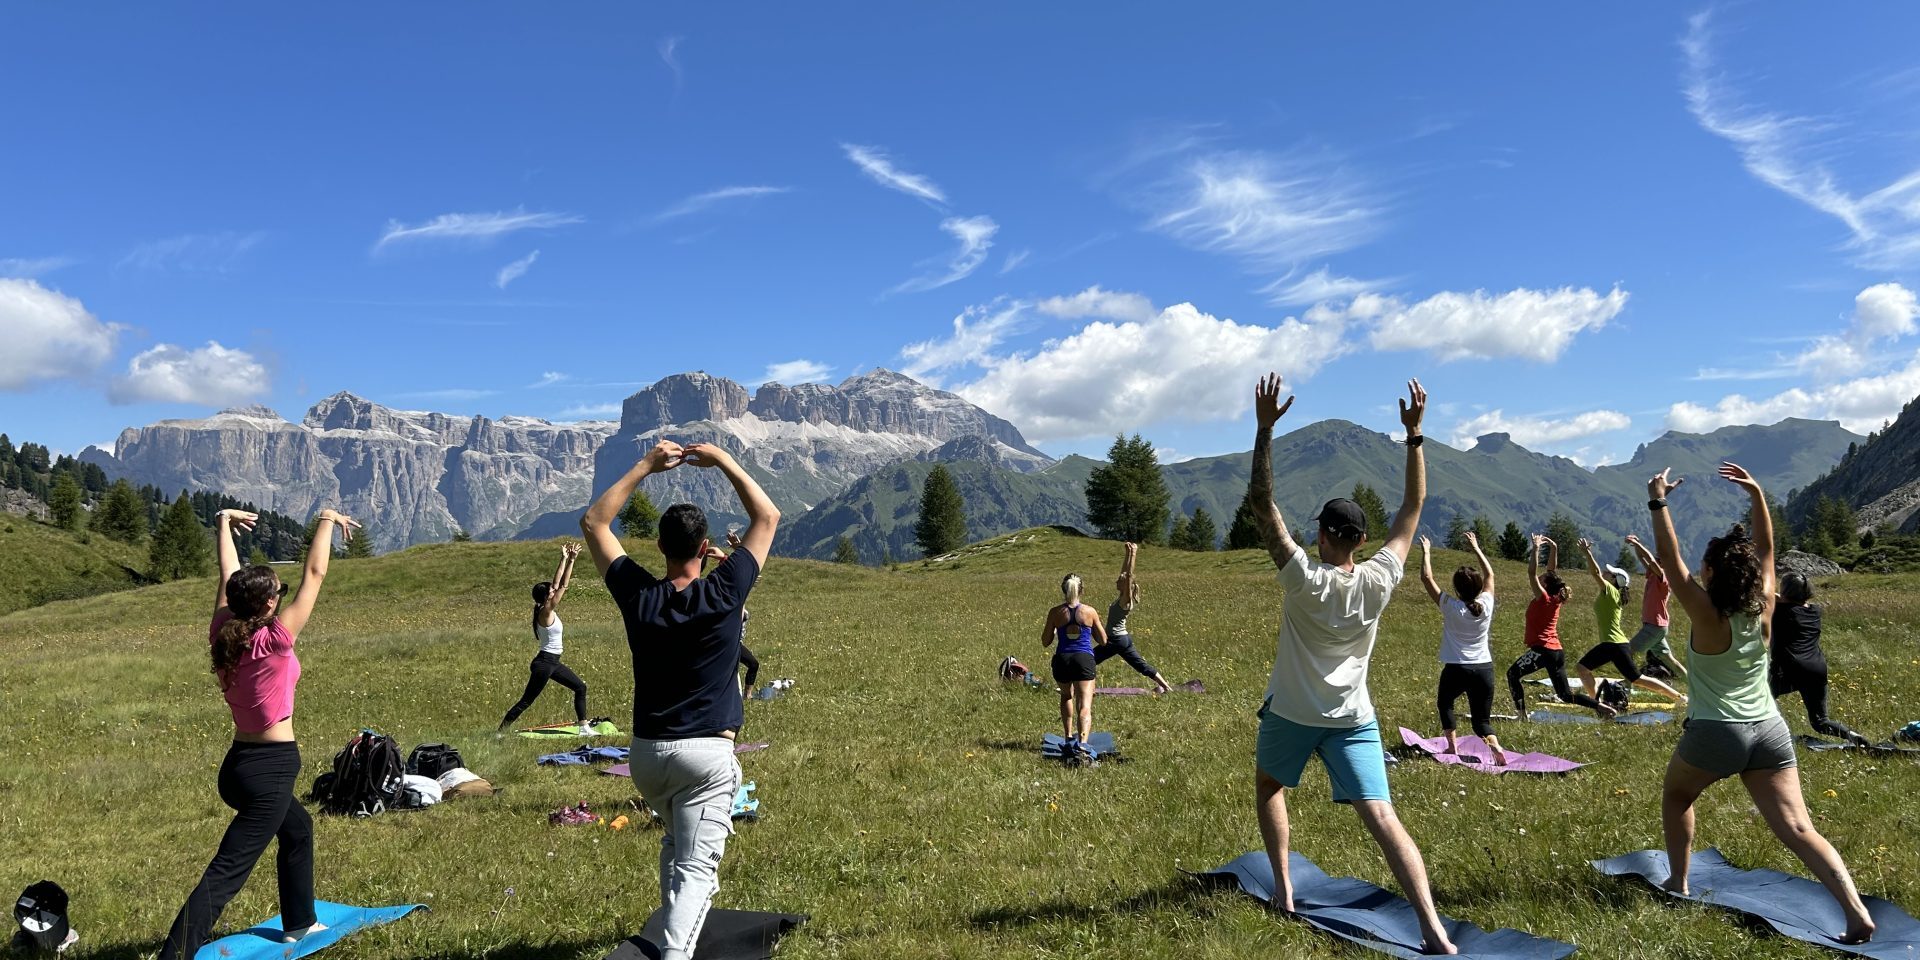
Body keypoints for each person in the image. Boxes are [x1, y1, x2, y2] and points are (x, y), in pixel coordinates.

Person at [1246, 372, 1458, 955]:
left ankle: (1285, 892)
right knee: (1383, 817)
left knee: (1269, 787)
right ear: (1361, 541)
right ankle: (1432, 927)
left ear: (1320, 533)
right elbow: (1414, 505)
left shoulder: (1302, 578)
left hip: (1291, 712)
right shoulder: (1380, 578)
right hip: (1352, 718)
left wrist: (1265, 429)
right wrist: (1415, 437)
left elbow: (1261, 502)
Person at [1646, 463, 1874, 944]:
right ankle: (1855, 912)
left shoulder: (1707, 614)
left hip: (1716, 730)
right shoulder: (1766, 604)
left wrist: (1658, 500)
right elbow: (1768, 552)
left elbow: (1670, 562)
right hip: (1770, 730)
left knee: (1677, 797)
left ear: (1709, 572)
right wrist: (1757, 496)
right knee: (1798, 827)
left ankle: (1678, 881)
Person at [581, 439, 779, 960]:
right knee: (698, 873)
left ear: (660, 549)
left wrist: (646, 465)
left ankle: (664, 940)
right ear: (704, 546)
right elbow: (767, 515)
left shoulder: (640, 597)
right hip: (706, 759)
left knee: (676, 847)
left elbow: (595, 524)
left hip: (647, 757)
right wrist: (724, 461)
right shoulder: (725, 590)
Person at [160, 507, 359, 960]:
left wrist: (222, 524)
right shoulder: (275, 638)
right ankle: (174, 955)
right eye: (279, 593)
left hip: (238, 769)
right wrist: (326, 519)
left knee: (299, 829)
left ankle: (300, 922)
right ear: (269, 604)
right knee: (227, 871)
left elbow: (229, 574)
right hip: (268, 771)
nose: (284, 598)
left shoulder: (222, 631)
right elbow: (316, 572)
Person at [1417, 532, 1506, 765]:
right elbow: (1490, 574)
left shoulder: (1450, 606)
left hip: (1457, 668)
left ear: (1457, 589)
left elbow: (1426, 578)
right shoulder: (1486, 604)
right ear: (1478, 588)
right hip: (1484, 668)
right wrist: (1476, 547)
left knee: (1445, 703)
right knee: (1481, 721)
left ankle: (1451, 747)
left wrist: (1426, 551)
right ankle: (1495, 745)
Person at [1505, 535, 1614, 719]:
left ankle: (1522, 715)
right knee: (1565, 695)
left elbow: (1531, 573)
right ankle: (1602, 707)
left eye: (1543, 579)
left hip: (1543, 650)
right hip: (1556, 651)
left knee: (1512, 674)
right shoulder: (1555, 598)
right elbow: (1551, 571)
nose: (1540, 578)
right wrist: (1554, 548)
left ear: (1546, 585)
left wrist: (1536, 548)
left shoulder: (1543, 598)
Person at [1573, 537, 1687, 709]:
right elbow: (1645, 560)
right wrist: (1636, 546)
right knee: (1586, 669)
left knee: (1635, 678)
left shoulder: (1610, 591)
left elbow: (1595, 573)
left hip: (1615, 643)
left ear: (1614, 580)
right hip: (1613, 643)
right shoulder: (1613, 592)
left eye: (1610, 573)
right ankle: (1599, 703)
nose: (1606, 572)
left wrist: (1587, 552)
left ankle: (1678, 697)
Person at [497, 543, 593, 735]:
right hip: (545, 663)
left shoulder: (544, 607)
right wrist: (572, 561)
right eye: (550, 591)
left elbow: (556, 584)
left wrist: (564, 558)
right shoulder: (546, 611)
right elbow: (563, 586)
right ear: (545, 597)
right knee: (527, 700)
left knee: (580, 687)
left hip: (552, 662)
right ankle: (500, 731)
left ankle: (583, 727)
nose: (553, 591)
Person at [1770, 573, 1870, 746]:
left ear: (1784, 591)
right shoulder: (1814, 611)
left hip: (1788, 667)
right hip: (1816, 668)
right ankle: (1851, 734)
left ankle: (1780, 736)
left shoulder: (1779, 611)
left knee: (1759, 698)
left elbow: (1766, 595)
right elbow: (1785, 600)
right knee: (1820, 721)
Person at [1041, 573, 1107, 756]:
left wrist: (1057, 629)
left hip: (1062, 659)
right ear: (1081, 590)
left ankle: (1068, 736)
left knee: (1066, 696)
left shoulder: (1055, 612)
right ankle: (1083, 744)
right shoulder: (1089, 611)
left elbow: (1045, 641)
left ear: (1064, 590)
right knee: (1085, 703)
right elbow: (1103, 640)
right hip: (1083, 658)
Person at [1098, 541, 1172, 694]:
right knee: (1141, 665)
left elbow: (1129, 576)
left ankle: (1073, 688)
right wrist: (1127, 553)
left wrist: (1134, 554)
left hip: (1115, 640)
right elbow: (1125, 574)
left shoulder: (1126, 600)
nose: (1116, 581)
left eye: (1119, 581)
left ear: (1126, 585)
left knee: (1088, 660)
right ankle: (1166, 687)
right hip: (1122, 639)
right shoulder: (1122, 597)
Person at [1625, 534, 1688, 680]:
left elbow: (1650, 559)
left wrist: (1636, 543)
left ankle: (1627, 684)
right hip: (1656, 626)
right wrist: (1636, 546)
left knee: (1627, 652)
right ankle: (1692, 684)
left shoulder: (1663, 577)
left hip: (1654, 626)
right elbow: (1643, 559)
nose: (1657, 561)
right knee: (1668, 659)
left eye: (1660, 560)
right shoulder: (1653, 575)